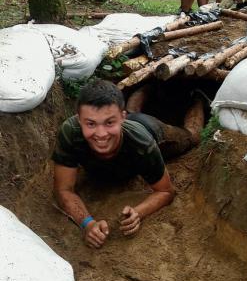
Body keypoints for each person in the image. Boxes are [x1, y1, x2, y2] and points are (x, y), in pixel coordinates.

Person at [52, 79, 203, 249]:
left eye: (109, 122)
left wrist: (138, 212)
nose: (101, 134)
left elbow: (166, 191)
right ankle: (148, 86)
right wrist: (87, 223)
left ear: (121, 119)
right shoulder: (70, 132)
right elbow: (63, 190)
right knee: (133, 112)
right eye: (91, 124)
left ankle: (197, 96)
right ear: (79, 120)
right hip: (128, 120)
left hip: (151, 129)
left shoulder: (142, 142)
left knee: (191, 137)